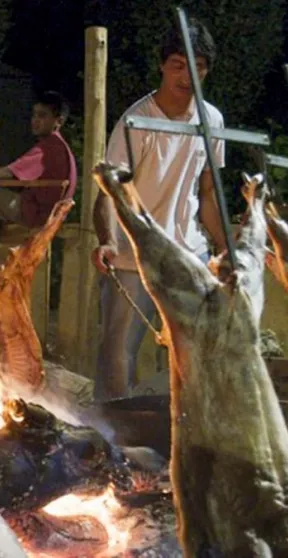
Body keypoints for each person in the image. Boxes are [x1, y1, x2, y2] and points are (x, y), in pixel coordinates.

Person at [92, 18, 225, 401]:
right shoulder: (136, 121)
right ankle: (112, 440)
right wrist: (106, 241)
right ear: (163, 66)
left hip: (188, 253)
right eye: (178, 65)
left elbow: (208, 194)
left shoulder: (211, 120)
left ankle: (183, 437)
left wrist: (224, 248)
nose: (187, 76)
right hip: (134, 255)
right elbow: (107, 192)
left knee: (196, 352)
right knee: (118, 354)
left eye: (197, 67)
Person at [0, 91, 77, 238]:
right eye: (34, 115)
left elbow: (10, 172)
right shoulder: (59, 146)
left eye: (42, 116)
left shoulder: (50, 146)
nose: (35, 120)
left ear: (58, 121)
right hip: (44, 213)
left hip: (38, 214)